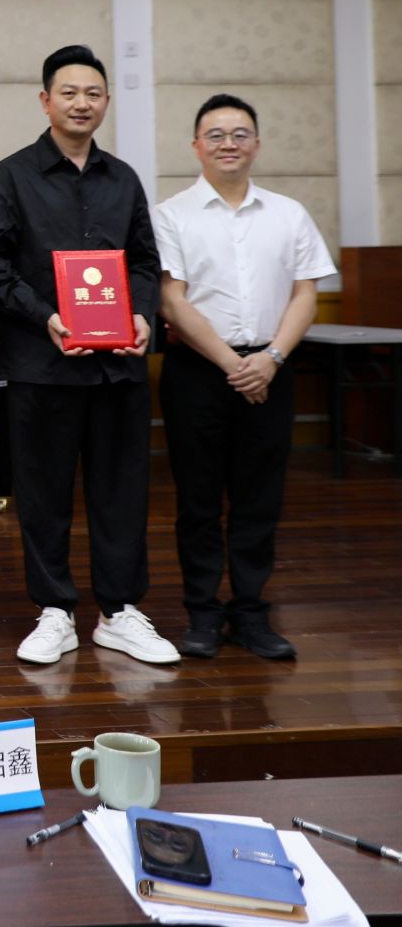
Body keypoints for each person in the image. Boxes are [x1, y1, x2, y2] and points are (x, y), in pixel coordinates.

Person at [0, 45, 176, 667]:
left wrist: (142, 312)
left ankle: (119, 612)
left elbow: (144, 260)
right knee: (43, 494)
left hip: (117, 367)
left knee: (122, 492)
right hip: (42, 365)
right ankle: (55, 611)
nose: (81, 103)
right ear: (46, 101)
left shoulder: (124, 179)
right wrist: (47, 316)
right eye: (69, 93)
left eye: (93, 93)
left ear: (106, 102)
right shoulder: (9, 177)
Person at [154, 94, 334, 661]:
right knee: (199, 499)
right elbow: (171, 300)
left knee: (260, 497)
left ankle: (252, 612)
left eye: (239, 134)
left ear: (257, 144)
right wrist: (234, 365)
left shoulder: (289, 213)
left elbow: (306, 294)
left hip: (271, 369)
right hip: (198, 372)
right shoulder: (170, 215)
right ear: (196, 146)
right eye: (216, 135)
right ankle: (203, 613)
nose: (228, 144)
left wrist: (270, 358)